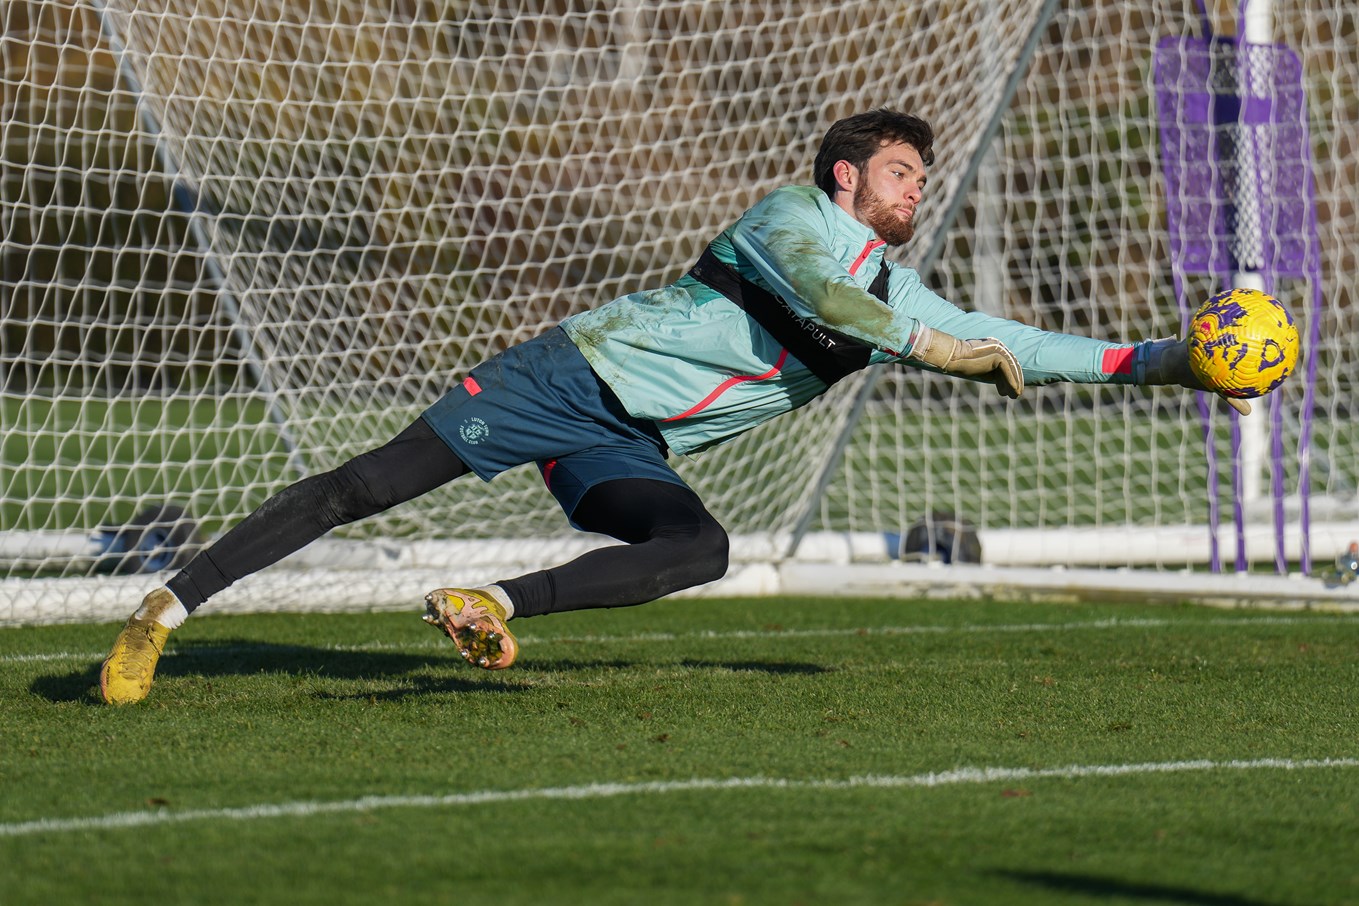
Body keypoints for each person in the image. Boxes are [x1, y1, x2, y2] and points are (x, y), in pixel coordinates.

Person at [98, 108, 1245, 704]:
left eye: (920, 181)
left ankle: (486, 600)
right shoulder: (794, 217)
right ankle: (166, 609)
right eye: (903, 173)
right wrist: (937, 344)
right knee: (365, 486)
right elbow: (830, 301)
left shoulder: (897, 286)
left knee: (697, 546)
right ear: (849, 175)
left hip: (626, 436)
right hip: (567, 377)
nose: (916, 190)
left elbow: (1020, 345)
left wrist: (1166, 363)